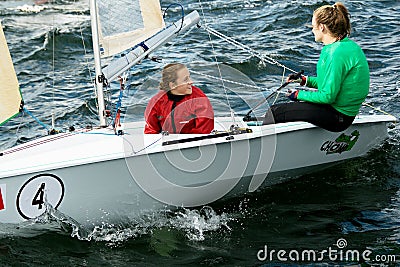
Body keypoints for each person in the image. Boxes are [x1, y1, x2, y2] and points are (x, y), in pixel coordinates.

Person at [263, 2, 370, 132]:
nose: (312, 30)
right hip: (342, 113)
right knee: (285, 111)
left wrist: (298, 95)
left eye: (313, 26)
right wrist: (304, 81)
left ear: (322, 27)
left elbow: (328, 96)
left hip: (338, 118)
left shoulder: (335, 53)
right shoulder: (345, 45)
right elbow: (331, 83)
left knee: (274, 112)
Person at [144, 63, 214, 134]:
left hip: (192, 141)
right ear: (173, 85)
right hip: (167, 141)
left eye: (189, 77)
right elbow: (151, 130)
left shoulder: (198, 99)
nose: (191, 82)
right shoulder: (156, 102)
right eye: (185, 80)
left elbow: (204, 130)